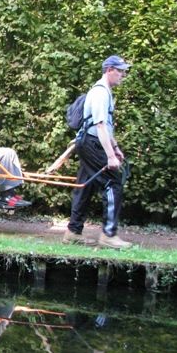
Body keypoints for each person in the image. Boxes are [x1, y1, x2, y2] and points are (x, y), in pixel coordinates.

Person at [64, 55, 132, 249]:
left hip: (89, 142)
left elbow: (106, 127)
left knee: (86, 185)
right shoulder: (101, 93)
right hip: (92, 142)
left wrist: (116, 148)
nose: (123, 75)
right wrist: (110, 156)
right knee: (113, 183)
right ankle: (109, 235)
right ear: (109, 70)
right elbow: (101, 126)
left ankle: (73, 232)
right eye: (120, 71)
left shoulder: (104, 92)